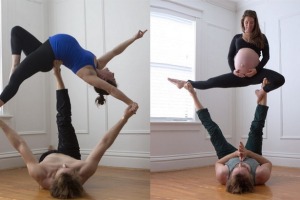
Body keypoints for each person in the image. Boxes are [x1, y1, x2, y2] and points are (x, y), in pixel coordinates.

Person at [0, 65, 138, 199]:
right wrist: (124, 118)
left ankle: (51, 149)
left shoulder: (39, 173)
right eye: (70, 170)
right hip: (70, 153)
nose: (65, 165)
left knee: (58, 129)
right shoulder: (83, 170)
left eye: (61, 169)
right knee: (64, 120)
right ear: (76, 177)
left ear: (52, 179)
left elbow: (20, 144)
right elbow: (105, 142)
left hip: (47, 159)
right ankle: (57, 75)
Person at [0, 26, 147, 109]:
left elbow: (111, 89)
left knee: (15, 81)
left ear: (104, 79)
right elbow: (116, 51)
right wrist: (134, 38)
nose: (112, 72)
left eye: (112, 77)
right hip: (46, 46)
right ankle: (15, 65)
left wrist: (130, 102)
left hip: (47, 56)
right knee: (16, 31)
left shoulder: (89, 74)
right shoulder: (97, 64)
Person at [168, 10, 285, 102]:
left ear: (255, 23)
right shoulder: (237, 38)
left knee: (280, 79)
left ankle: (262, 91)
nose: (249, 25)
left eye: (252, 22)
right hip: (238, 76)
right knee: (211, 82)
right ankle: (184, 82)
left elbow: (266, 57)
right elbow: (230, 57)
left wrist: (256, 70)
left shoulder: (261, 37)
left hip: (255, 74)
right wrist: (234, 71)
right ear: (243, 22)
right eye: (246, 22)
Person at [183, 78, 272, 194]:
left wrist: (235, 154)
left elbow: (218, 163)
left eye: (236, 168)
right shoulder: (261, 175)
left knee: (213, 131)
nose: (240, 163)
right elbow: (267, 163)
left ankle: (192, 94)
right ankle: (263, 92)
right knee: (256, 129)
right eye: (245, 168)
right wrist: (248, 153)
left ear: (229, 177)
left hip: (228, 156)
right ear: (251, 177)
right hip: (252, 155)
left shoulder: (222, 175)